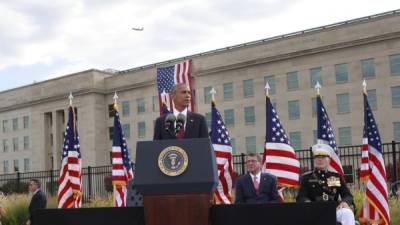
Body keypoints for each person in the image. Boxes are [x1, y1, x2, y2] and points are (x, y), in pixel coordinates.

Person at [296, 143, 355, 225]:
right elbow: (301, 196)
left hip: (334, 210)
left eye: (323, 157)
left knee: (347, 213)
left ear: (329, 160)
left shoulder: (336, 176)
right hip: (314, 211)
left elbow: (348, 195)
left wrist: (344, 202)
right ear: (314, 160)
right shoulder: (306, 178)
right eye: (317, 157)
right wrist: (307, 203)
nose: (320, 160)